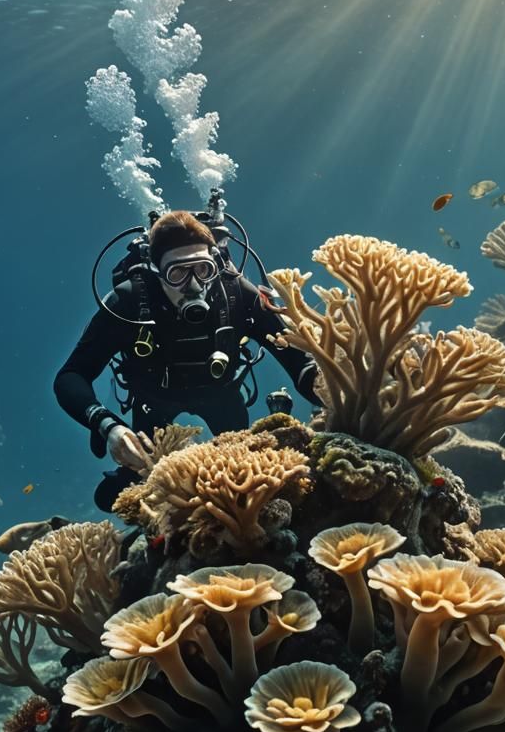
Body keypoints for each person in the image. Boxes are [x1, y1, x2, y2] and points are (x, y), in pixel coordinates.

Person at [54, 210, 320, 512]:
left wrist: (332, 388)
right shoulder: (129, 301)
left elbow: (297, 360)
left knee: (244, 477)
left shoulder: (236, 292)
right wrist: (106, 424)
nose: (194, 286)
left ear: (216, 264)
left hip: (222, 396)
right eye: (177, 274)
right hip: (152, 402)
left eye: (203, 270)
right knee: (125, 493)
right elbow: (71, 376)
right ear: (155, 271)